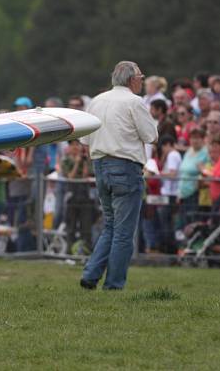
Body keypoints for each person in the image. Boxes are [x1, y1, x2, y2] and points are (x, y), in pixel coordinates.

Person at [80, 61, 158, 290]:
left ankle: (91, 274)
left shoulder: (96, 100)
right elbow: (151, 135)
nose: (142, 81)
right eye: (140, 77)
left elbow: (84, 139)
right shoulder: (135, 102)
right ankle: (113, 284)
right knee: (124, 232)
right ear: (132, 79)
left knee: (111, 225)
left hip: (100, 165)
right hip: (125, 166)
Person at [177, 128, 210, 226]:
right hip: (183, 194)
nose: (194, 140)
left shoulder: (206, 153)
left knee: (192, 223)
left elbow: (207, 171)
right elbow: (183, 172)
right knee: (184, 223)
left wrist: (202, 171)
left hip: (195, 193)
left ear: (203, 139)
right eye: (192, 138)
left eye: (197, 138)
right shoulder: (189, 151)